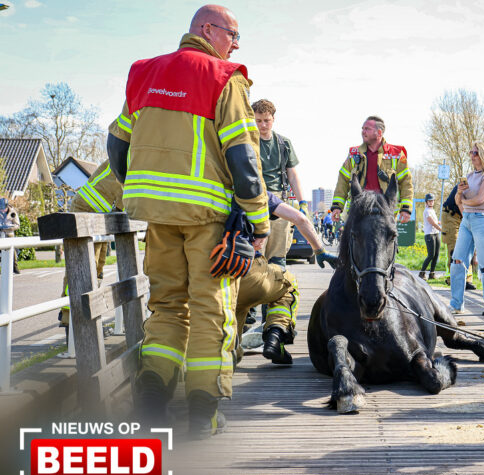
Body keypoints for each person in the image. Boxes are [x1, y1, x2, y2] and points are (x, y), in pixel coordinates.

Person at [106, 4, 271, 439]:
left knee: (166, 307)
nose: (235, 44)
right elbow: (243, 158)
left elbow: (116, 142)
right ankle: (202, 416)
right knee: (210, 312)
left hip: (158, 218)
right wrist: (259, 224)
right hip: (207, 220)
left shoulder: (144, 73)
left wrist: (140, 190)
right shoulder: (225, 78)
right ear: (207, 29)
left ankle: (151, 404)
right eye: (233, 35)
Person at [235, 191, 338, 365]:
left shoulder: (208, 189)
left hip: (212, 276)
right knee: (288, 283)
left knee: (228, 349)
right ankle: (275, 335)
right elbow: (300, 219)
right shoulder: (255, 192)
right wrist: (320, 251)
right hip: (248, 271)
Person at [59, 159, 124, 328]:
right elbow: (127, 189)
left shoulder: (134, 151)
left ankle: (89, 314)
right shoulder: (131, 153)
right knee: (84, 266)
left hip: (99, 214)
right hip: (86, 209)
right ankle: (69, 317)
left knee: (98, 267)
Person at [251, 99, 306, 270]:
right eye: (258, 121)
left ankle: (276, 291)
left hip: (280, 201)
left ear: (273, 118)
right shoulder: (247, 142)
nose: (262, 125)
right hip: (256, 200)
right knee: (256, 253)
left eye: (266, 120)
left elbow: (292, 175)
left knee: (278, 256)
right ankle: (257, 290)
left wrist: (302, 202)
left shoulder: (283, 143)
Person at [450, 141, 484, 316]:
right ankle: (456, 304)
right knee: (457, 260)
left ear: (483, 155)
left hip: (483, 218)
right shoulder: (470, 176)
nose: (472, 156)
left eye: (475, 153)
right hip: (467, 219)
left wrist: (464, 201)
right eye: (471, 152)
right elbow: (458, 202)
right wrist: (459, 192)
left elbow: (480, 199)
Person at [330, 116, 413, 223]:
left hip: (385, 214)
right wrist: (337, 206)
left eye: (367, 129)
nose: (363, 132)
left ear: (379, 133)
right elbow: (343, 181)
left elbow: (406, 183)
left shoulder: (396, 154)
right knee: (348, 239)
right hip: (358, 213)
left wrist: (406, 209)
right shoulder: (354, 154)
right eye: (362, 128)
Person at [441, 184, 477, 289]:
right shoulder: (468, 184)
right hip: (451, 216)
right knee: (455, 247)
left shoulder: (482, 184)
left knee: (468, 246)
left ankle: (467, 280)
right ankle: (453, 279)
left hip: (463, 216)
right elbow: (461, 205)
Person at [419, 193, 441, 280]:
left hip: (435, 234)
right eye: (429, 201)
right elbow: (431, 222)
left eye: (432, 201)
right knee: (430, 255)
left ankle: (432, 274)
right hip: (429, 235)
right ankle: (422, 273)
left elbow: (435, 222)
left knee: (436, 255)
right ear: (426, 202)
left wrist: (442, 223)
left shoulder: (432, 210)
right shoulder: (427, 211)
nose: (431, 202)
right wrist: (441, 229)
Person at [0, 199, 20, 274]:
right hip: (0, 233)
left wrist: (8, 227)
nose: (2, 211)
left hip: (9, 233)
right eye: (1, 209)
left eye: (3, 209)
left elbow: (17, 225)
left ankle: (15, 266)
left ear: (7, 207)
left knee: (13, 250)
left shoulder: (13, 212)